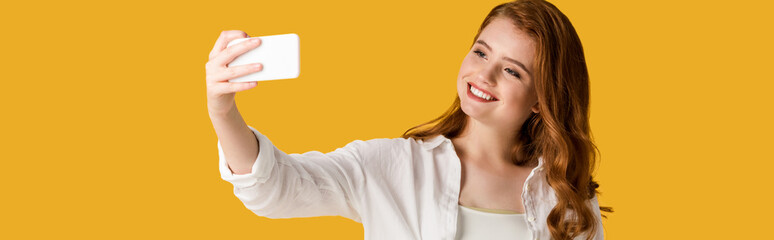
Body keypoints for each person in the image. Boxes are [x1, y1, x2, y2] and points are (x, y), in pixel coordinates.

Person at [206, 0, 612, 239]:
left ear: (542, 98)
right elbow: (276, 188)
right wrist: (224, 114)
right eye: (481, 52)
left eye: (512, 71)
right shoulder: (392, 166)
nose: (483, 76)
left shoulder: (567, 199)